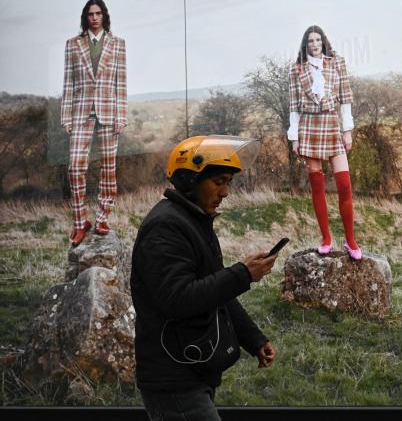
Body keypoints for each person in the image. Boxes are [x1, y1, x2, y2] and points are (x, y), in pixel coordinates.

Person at [130, 136, 278, 421]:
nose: (225, 192)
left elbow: (216, 292)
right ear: (189, 180)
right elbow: (178, 299)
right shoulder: (166, 227)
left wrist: (254, 340)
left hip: (192, 366)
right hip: (173, 377)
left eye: (229, 183)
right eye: (219, 182)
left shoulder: (194, 221)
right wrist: (242, 274)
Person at [287, 25, 362, 260]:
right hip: (308, 126)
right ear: (305, 44)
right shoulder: (297, 69)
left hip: (331, 124)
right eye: (310, 40)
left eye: (318, 39)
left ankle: (351, 241)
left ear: (323, 42)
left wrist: (347, 130)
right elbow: (294, 106)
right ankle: (326, 238)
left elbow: (346, 98)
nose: (314, 44)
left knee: (344, 185)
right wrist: (294, 137)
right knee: (317, 186)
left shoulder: (336, 63)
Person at [61, 0, 127, 246]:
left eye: (98, 13)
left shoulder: (118, 45)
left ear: (104, 16)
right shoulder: (73, 45)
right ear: (85, 17)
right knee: (75, 168)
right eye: (90, 14)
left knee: (108, 169)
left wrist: (121, 116)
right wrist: (66, 117)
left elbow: (121, 83)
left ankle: (102, 218)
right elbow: (68, 83)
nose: (95, 17)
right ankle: (80, 223)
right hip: (80, 113)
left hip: (110, 113)